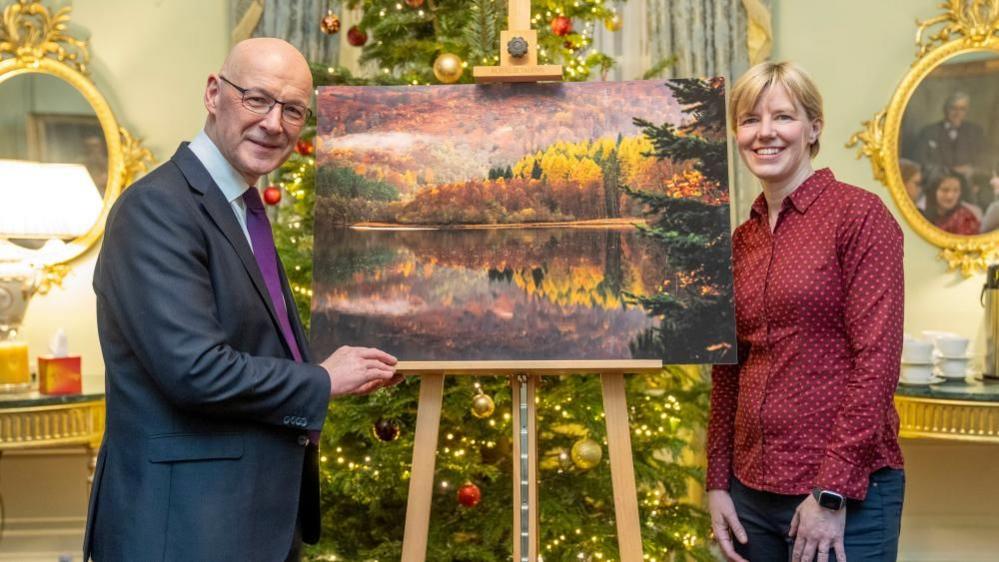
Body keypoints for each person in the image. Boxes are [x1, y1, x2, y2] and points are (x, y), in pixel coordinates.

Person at [84, 38, 401, 562]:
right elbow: (196, 370)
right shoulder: (156, 210)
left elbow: (254, 345)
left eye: (293, 110)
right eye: (257, 99)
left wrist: (352, 368)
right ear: (214, 93)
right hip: (183, 530)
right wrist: (323, 380)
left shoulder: (241, 208)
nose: (275, 123)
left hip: (247, 523)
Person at [707, 61, 905, 562]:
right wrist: (717, 483)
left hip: (845, 499)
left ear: (814, 127)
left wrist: (830, 492)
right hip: (750, 495)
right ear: (736, 133)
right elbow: (728, 369)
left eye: (783, 117)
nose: (765, 133)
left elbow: (876, 364)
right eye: (750, 119)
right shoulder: (741, 241)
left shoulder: (859, 218)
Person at [912, 91, 988, 179]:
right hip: (938, 182)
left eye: (962, 109)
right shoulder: (929, 132)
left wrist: (972, 169)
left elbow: (984, 160)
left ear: (966, 111)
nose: (957, 113)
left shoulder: (976, 132)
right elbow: (919, 162)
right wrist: (949, 170)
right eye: (953, 108)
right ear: (945, 109)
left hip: (968, 183)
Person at [921, 169, 981, 235]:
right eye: (945, 190)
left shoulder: (965, 219)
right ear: (933, 191)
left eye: (956, 191)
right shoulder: (921, 214)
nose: (950, 196)